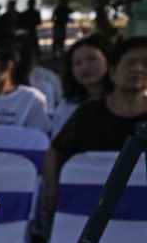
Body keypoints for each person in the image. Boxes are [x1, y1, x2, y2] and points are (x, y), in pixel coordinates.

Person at [42, 36, 147, 215]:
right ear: (113, 72)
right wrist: (52, 191)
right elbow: (54, 153)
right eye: (131, 63)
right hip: (84, 204)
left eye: (145, 63)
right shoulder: (86, 114)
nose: (138, 69)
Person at [51, 34, 112, 136]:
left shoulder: (125, 100)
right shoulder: (67, 105)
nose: (84, 67)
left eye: (91, 59)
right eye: (77, 63)